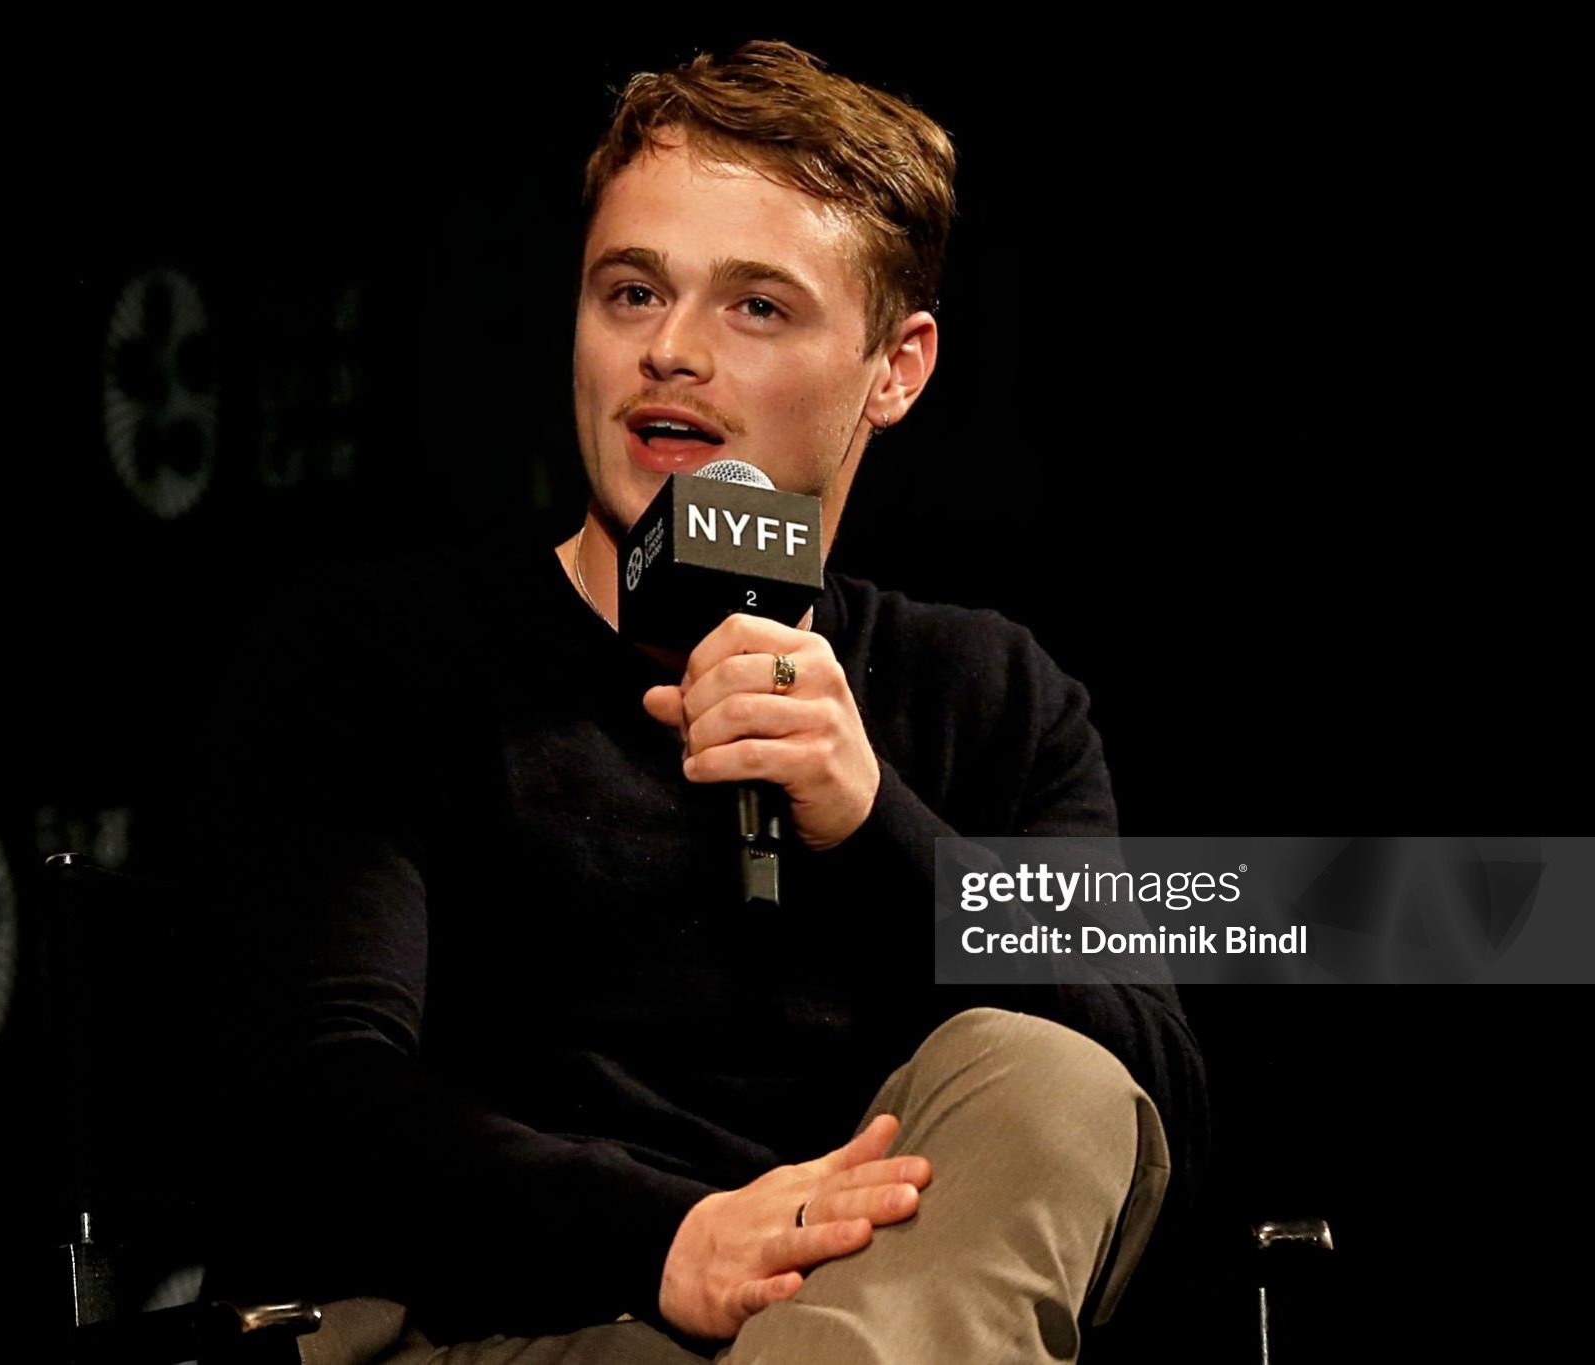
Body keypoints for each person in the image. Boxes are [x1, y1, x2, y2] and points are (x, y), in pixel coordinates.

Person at [193, 40, 1206, 1364]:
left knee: (1059, 1079)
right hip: (498, 1327)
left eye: (757, 308)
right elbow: (321, 1102)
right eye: (631, 292)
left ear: (896, 368)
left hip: (876, 1318)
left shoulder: (995, 695)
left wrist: (875, 826)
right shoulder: (374, 653)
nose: (670, 351)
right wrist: (668, 1239)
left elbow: (1152, 1097)